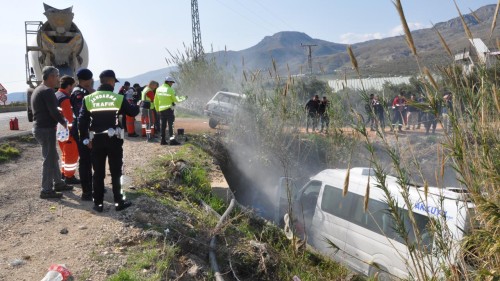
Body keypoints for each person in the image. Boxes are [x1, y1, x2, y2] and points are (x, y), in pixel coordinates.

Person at [78, 70, 139, 212]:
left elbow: (82, 121)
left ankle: (98, 204)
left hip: (96, 140)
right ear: (111, 81)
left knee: (98, 173)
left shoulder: (88, 99)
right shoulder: (118, 98)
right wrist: (136, 103)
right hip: (114, 140)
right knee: (116, 171)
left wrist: (85, 138)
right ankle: (119, 202)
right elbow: (132, 112)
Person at [31, 66, 73, 199]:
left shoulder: (38, 89)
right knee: (49, 160)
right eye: (56, 76)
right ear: (50, 77)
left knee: (53, 157)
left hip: (40, 128)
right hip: (46, 129)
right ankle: (46, 190)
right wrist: (64, 123)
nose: (58, 79)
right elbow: (53, 111)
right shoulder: (47, 91)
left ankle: (58, 183)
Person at [71, 68, 95, 201]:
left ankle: (92, 187)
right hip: (82, 131)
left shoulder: (86, 91)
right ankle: (86, 192)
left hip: (87, 130)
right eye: (89, 80)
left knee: (91, 159)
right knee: (85, 161)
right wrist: (86, 136)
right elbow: (82, 116)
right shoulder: (79, 93)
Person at [55, 75, 80, 184]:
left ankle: (64, 173)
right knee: (71, 155)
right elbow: (70, 119)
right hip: (67, 133)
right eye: (73, 86)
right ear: (69, 86)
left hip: (59, 132)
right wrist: (74, 132)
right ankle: (69, 176)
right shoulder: (65, 99)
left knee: (65, 154)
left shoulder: (56, 95)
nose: (73, 88)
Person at [154, 76, 186, 145]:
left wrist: (157, 110)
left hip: (161, 110)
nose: (172, 84)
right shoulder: (170, 90)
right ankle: (172, 141)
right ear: (168, 82)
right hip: (169, 110)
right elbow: (176, 100)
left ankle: (162, 140)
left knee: (163, 125)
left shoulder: (158, 89)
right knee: (171, 125)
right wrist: (183, 98)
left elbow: (155, 101)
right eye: (171, 82)